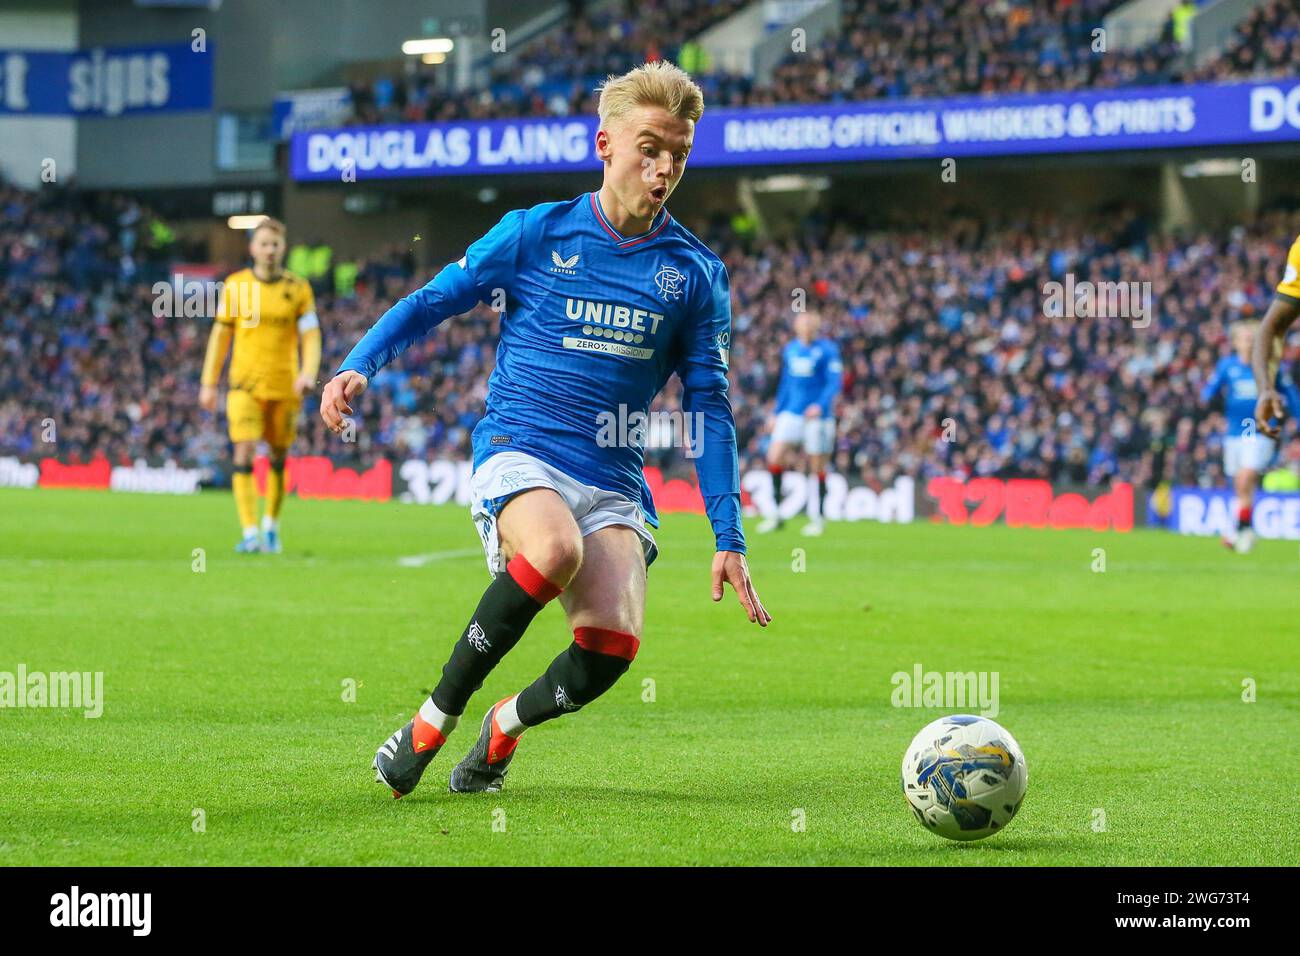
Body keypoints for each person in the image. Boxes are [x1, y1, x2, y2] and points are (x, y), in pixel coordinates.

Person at [319, 61, 771, 799]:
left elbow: (708, 405)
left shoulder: (693, 273)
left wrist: (729, 535)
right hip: (521, 448)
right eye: (649, 148)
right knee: (553, 548)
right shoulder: (535, 233)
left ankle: (502, 728)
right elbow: (433, 302)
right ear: (605, 144)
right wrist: (359, 363)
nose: (664, 169)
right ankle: (431, 719)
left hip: (613, 477)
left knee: (611, 647)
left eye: (679, 155)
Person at [200, 218, 321, 553]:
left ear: (283, 248)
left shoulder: (298, 289)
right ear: (252, 247)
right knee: (245, 450)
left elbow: (311, 336)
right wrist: (209, 383)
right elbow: (220, 337)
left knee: (280, 456)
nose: (269, 250)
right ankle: (250, 531)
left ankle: (271, 526)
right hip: (244, 386)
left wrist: (308, 372)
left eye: (275, 244)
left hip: (286, 387)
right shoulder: (235, 286)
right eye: (264, 244)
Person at [1202, 320, 1298, 552]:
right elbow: (1209, 393)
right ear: (1236, 342)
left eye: (1253, 338)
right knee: (1240, 485)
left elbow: (1291, 395)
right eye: (1245, 338)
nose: (1249, 342)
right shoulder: (1227, 366)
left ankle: (1241, 529)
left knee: (1244, 478)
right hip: (1235, 433)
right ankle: (1241, 529)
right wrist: (1209, 406)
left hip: (1261, 431)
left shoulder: (1270, 366)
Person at [758, 310, 842, 536]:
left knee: (817, 466)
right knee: (774, 456)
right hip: (791, 412)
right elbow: (785, 383)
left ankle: (818, 518)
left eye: (810, 323)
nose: (806, 327)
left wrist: (820, 406)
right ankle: (775, 514)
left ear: (816, 326)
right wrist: (776, 412)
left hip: (817, 416)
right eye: (802, 323)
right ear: (796, 326)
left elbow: (834, 383)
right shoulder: (791, 349)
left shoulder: (827, 350)